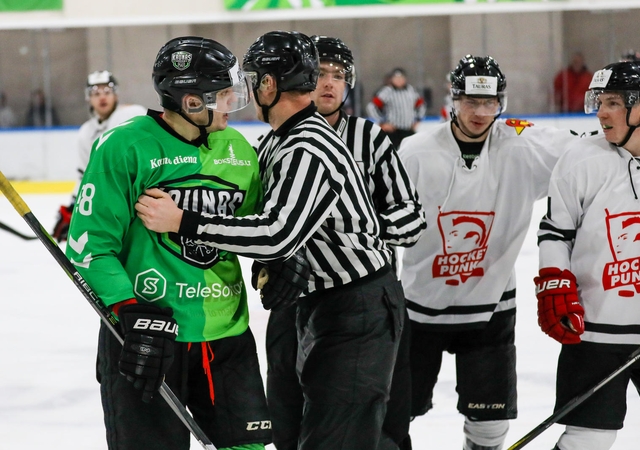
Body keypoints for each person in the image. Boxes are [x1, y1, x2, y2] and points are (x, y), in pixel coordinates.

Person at [134, 30, 406, 450]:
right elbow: (270, 232)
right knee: (300, 431)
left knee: (338, 440)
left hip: (358, 308)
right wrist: (270, 266)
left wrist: (184, 221)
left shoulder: (309, 145)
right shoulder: (277, 140)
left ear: (269, 84)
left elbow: (276, 233)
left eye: (253, 78)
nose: (244, 89)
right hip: (322, 304)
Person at [64, 36, 272, 450]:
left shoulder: (239, 151)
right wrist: (127, 307)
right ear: (192, 102)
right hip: (146, 332)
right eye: (223, 95)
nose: (232, 103)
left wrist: (272, 265)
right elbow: (88, 246)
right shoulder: (124, 147)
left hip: (226, 334)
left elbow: (255, 228)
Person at [397, 55, 591, 450]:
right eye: (471, 102)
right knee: (394, 413)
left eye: (490, 103)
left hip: (490, 311)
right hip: (419, 309)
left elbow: (594, 150)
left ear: (501, 102)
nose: (480, 112)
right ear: (453, 100)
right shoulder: (415, 152)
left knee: (489, 422)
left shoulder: (524, 146)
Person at [261, 34, 427, 450]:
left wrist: (356, 229)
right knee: (286, 413)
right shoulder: (272, 142)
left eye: (339, 75)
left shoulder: (369, 139)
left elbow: (412, 217)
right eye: (319, 74)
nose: (329, 83)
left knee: (378, 419)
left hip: (363, 300)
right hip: (294, 299)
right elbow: (264, 224)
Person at [536, 60, 640, 450]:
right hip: (595, 328)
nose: (601, 112)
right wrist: (553, 283)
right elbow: (555, 232)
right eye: (599, 101)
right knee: (587, 440)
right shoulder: (581, 158)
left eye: (612, 102)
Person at [52, 70, 146, 242]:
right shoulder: (86, 133)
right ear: (88, 98)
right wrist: (74, 205)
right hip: (110, 201)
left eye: (107, 91)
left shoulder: (133, 114)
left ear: (115, 94)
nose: (102, 97)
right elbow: (85, 175)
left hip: (141, 193)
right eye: (96, 93)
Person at [367, 67, 426, 148]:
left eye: (401, 78)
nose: (399, 80)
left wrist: (418, 119)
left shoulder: (411, 90)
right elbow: (372, 106)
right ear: (392, 79)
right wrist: (383, 122)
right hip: (393, 131)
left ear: (405, 79)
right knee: (391, 155)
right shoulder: (387, 91)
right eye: (396, 78)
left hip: (408, 130)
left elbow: (421, 105)